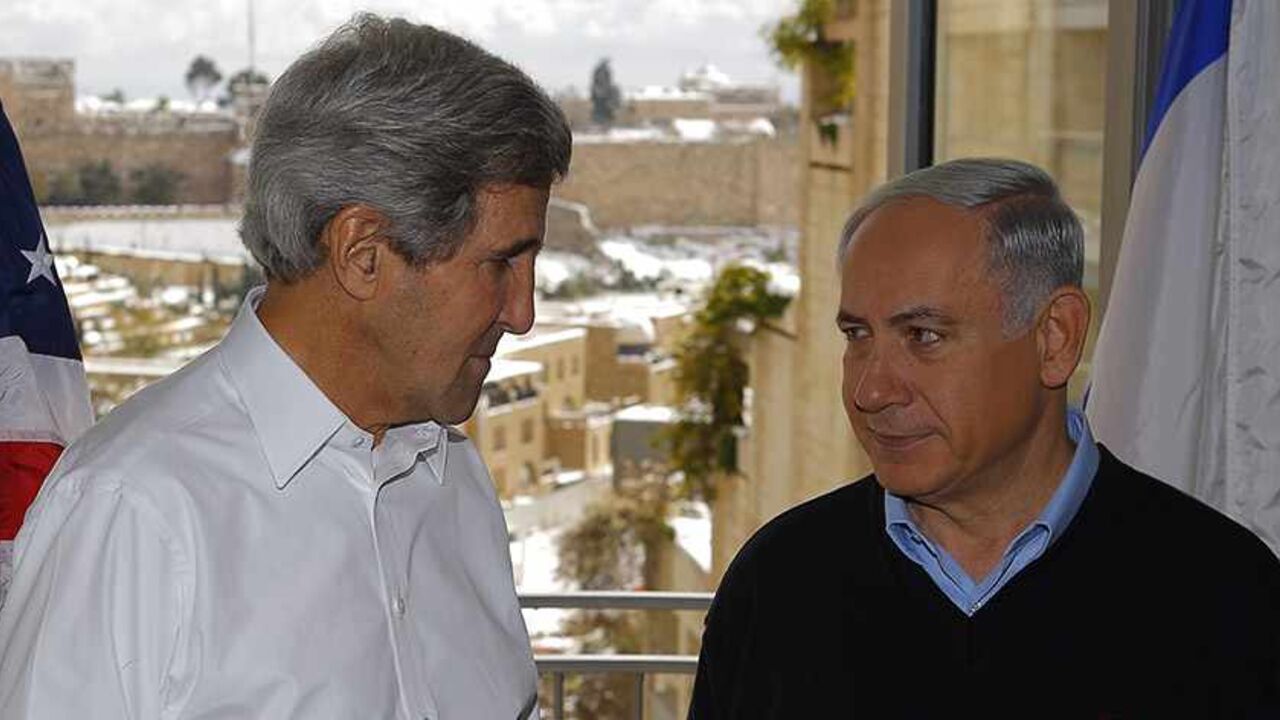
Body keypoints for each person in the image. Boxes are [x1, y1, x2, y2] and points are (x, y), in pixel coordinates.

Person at [0, 14, 570, 719]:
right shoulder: (133, 509)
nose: (524, 313)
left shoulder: (453, 481)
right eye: (502, 262)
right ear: (363, 253)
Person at [689, 158, 1280, 718]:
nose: (870, 389)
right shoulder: (781, 584)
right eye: (857, 335)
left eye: (923, 336)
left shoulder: (1225, 597)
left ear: (1055, 338)